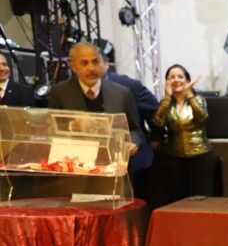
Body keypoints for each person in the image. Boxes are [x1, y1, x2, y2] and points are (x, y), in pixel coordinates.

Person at [47, 42, 144, 151]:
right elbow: (52, 129)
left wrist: (133, 142)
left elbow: (135, 130)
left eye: (95, 62)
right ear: (73, 66)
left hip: (112, 154)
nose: (91, 68)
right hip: (76, 154)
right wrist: (73, 126)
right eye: (84, 63)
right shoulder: (60, 92)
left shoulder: (121, 93)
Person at [150, 64, 218, 209]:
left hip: (200, 155)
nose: (176, 80)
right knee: (176, 199)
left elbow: (202, 117)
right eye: (172, 77)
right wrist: (166, 99)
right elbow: (158, 122)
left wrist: (190, 95)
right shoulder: (166, 103)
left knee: (201, 198)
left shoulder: (198, 99)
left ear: (187, 80)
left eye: (180, 77)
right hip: (174, 156)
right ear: (167, 82)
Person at [97, 52, 160, 203]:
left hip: (132, 159)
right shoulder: (71, 89)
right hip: (96, 163)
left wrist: (155, 137)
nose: (91, 68)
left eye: (95, 62)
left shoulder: (129, 86)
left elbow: (155, 112)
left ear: (106, 64)